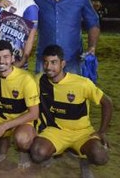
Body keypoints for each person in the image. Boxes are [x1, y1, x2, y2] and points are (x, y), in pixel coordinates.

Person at [31, 44, 112, 177]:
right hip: (55, 131)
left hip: (82, 133)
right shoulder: (39, 80)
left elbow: (107, 103)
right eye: (45, 62)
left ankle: (83, 159)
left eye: (53, 62)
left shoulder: (82, 83)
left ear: (63, 63)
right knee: (37, 153)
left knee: (100, 157)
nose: (48, 67)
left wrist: (102, 131)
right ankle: (59, 151)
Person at [34, 0, 100, 75]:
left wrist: (92, 47)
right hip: (44, 60)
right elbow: (27, 25)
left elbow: (93, 23)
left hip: (72, 60)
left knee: (73, 92)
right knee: (43, 92)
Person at [0, 40, 39, 168]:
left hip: (22, 119)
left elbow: (34, 113)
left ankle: (24, 152)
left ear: (13, 58)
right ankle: (4, 142)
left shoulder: (26, 79)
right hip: (1, 116)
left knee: (22, 139)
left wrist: (4, 126)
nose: (1, 61)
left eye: (6, 57)